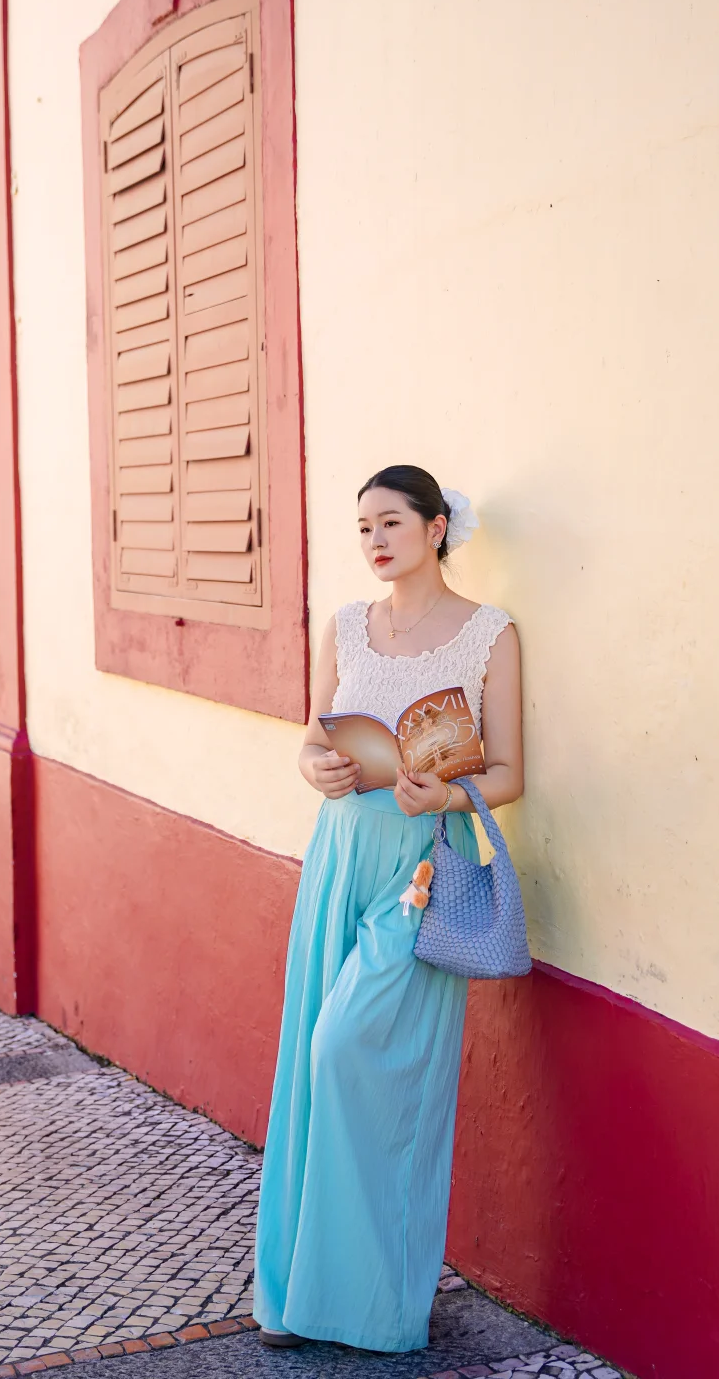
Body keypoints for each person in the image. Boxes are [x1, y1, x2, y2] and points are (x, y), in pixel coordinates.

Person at [253, 464, 524, 1354]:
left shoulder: (490, 635)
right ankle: (298, 1299)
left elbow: (510, 773)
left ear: (436, 528)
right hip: (338, 857)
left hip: (423, 869)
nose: (373, 540)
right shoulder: (346, 627)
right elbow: (310, 738)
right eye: (363, 526)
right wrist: (317, 768)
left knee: (354, 1055)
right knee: (311, 1062)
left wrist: (444, 796)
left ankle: (376, 1305)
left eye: (391, 523)